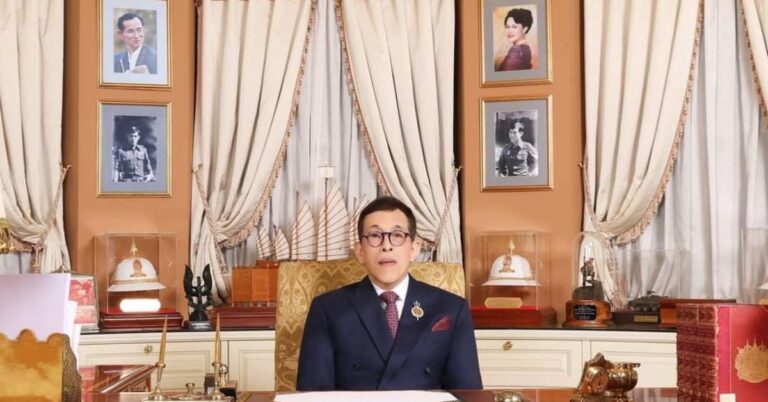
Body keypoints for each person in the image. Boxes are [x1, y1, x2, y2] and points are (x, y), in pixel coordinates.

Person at [296, 196, 482, 391]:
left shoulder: (452, 308)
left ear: (414, 249)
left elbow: (468, 394)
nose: (386, 245)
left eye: (397, 235)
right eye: (375, 236)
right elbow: (312, 395)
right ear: (360, 251)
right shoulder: (328, 310)